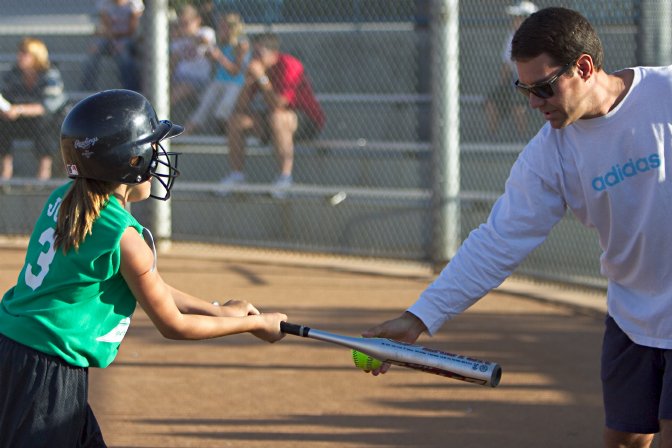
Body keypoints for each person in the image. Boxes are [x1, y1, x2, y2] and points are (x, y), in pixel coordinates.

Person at [364, 7, 672, 448]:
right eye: (525, 89)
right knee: (624, 440)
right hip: (632, 314)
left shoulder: (665, 91)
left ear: (584, 67)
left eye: (544, 88)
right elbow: (497, 242)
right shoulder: (550, 154)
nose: (533, 103)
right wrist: (419, 317)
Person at [0, 89, 287, 446]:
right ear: (129, 160)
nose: (158, 156)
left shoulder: (64, 199)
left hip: (15, 352)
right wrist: (256, 323)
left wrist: (221, 312)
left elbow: (151, 288)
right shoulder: (124, 236)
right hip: (48, 375)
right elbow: (172, 324)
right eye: (151, 148)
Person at [224, 32, 325, 198]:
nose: (255, 58)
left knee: (278, 118)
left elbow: (280, 104)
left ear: (273, 53)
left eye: (259, 53)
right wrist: (248, 82)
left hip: (304, 119)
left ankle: (285, 178)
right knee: (236, 121)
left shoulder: (289, 64)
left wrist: (262, 78)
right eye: (253, 53)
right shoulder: (258, 69)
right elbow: (239, 108)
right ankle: (236, 176)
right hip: (272, 118)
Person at [0, 37, 69, 181]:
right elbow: (5, 97)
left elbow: (49, 106)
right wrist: (6, 110)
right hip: (21, 121)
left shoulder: (50, 74)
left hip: (48, 121)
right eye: (20, 52)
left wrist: (19, 109)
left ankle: (44, 172)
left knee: (46, 121)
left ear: (36, 56)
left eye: (25, 53)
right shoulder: (13, 74)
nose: (20, 56)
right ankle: (6, 170)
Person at [184, 11, 250, 135]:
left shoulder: (241, 45)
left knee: (222, 112)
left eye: (224, 27)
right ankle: (185, 133)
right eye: (220, 26)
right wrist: (211, 58)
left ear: (233, 29)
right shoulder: (220, 43)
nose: (220, 30)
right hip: (218, 81)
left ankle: (229, 135)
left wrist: (219, 57)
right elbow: (216, 69)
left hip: (235, 83)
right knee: (203, 107)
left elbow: (235, 71)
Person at [483, 1, 537, 139]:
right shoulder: (512, 36)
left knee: (517, 106)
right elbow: (506, 66)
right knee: (492, 102)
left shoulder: (536, 37)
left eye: (518, 17)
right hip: (514, 84)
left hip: (533, 84)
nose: (514, 20)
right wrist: (502, 87)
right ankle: (491, 140)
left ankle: (522, 140)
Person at [81, 0, 144, 92]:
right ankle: (87, 87)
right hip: (111, 37)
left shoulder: (134, 3)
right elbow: (107, 27)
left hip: (129, 39)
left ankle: (131, 90)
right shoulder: (104, 3)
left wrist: (115, 40)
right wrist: (113, 41)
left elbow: (132, 31)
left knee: (124, 56)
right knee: (94, 50)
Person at [169, 4, 216, 118]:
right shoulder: (178, 40)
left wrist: (188, 35)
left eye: (186, 23)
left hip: (198, 79)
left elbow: (204, 41)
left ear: (198, 20)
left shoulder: (205, 31)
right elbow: (173, 62)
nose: (183, 27)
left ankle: (159, 115)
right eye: (181, 24)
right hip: (179, 76)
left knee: (179, 91)